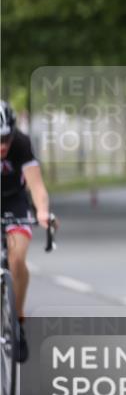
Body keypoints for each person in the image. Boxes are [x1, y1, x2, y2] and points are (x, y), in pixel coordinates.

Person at [0, 100, 53, 362]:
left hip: (14, 201)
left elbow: (37, 186)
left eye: (6, 139)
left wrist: (42, 211)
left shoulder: (21, 143)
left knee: (17, 258)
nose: (3, 146)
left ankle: (17, 321)